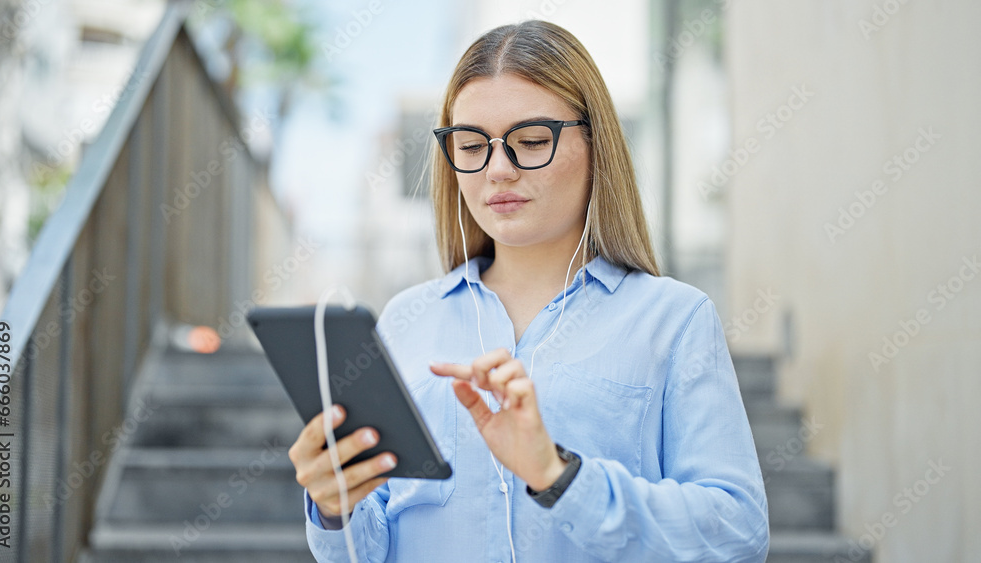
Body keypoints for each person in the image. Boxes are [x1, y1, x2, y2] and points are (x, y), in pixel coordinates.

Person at [288, 20, 769, 562]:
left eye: (532, 141)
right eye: (472, 145)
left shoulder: (674, 320)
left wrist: (558, 475)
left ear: (595, 144)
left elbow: (737, 534)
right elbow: (368, 549)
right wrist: (335, 507)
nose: (497, 170)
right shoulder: (407, 320)